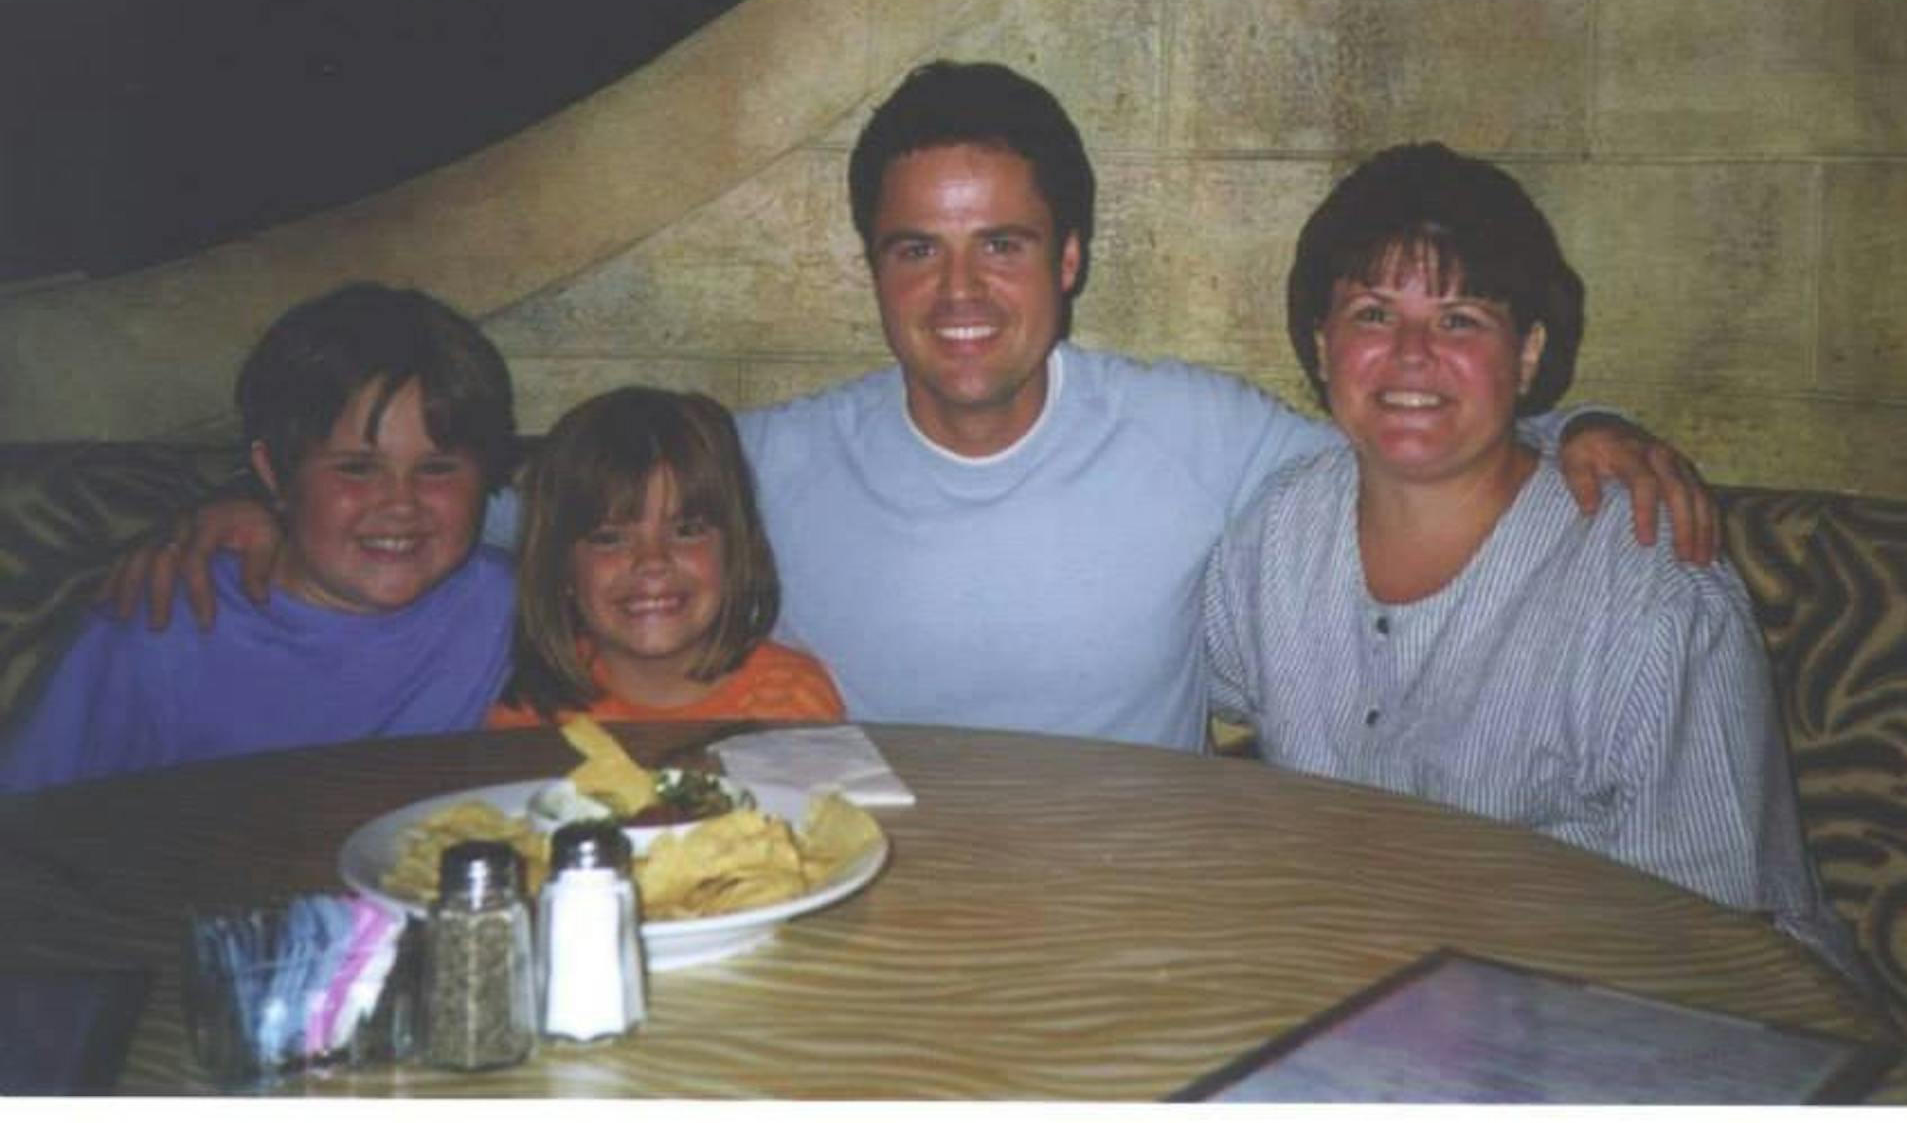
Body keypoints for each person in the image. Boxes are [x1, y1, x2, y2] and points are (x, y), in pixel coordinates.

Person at [101, 64, 1716, 753]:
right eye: (915, 250)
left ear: (1067, 258)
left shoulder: (1201, 436)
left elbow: (1420, 433)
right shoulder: (773, 462)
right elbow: (477, 516)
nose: (960, 293)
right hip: (839, 923)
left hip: (1134, 926)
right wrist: (259, 519)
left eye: (1002, 243)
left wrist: (1584, 431)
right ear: (871, 270)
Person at [1200, 144, 1861, 976]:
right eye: (1372, 313)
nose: (1411, 353)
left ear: (1529, 353)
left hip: (1655, 1005)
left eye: (1460, 319)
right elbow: (1190, 693)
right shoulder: (1278, 530)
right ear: (1322, 346)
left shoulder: (1649, 582)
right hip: (1374, 984)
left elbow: (1717, 932)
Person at [0, 284, 518, 793]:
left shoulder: (508, 604)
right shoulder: (159, 621)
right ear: (273, 474)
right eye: (357, 469)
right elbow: (25, 826)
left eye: (437, 469)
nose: (400, 503)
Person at [489, 387, 841, 727]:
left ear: (735, 552)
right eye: (609, 538)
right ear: (559, 567)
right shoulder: (533, 716)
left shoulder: (791, 702)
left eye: (687, 531)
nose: (652, 561)